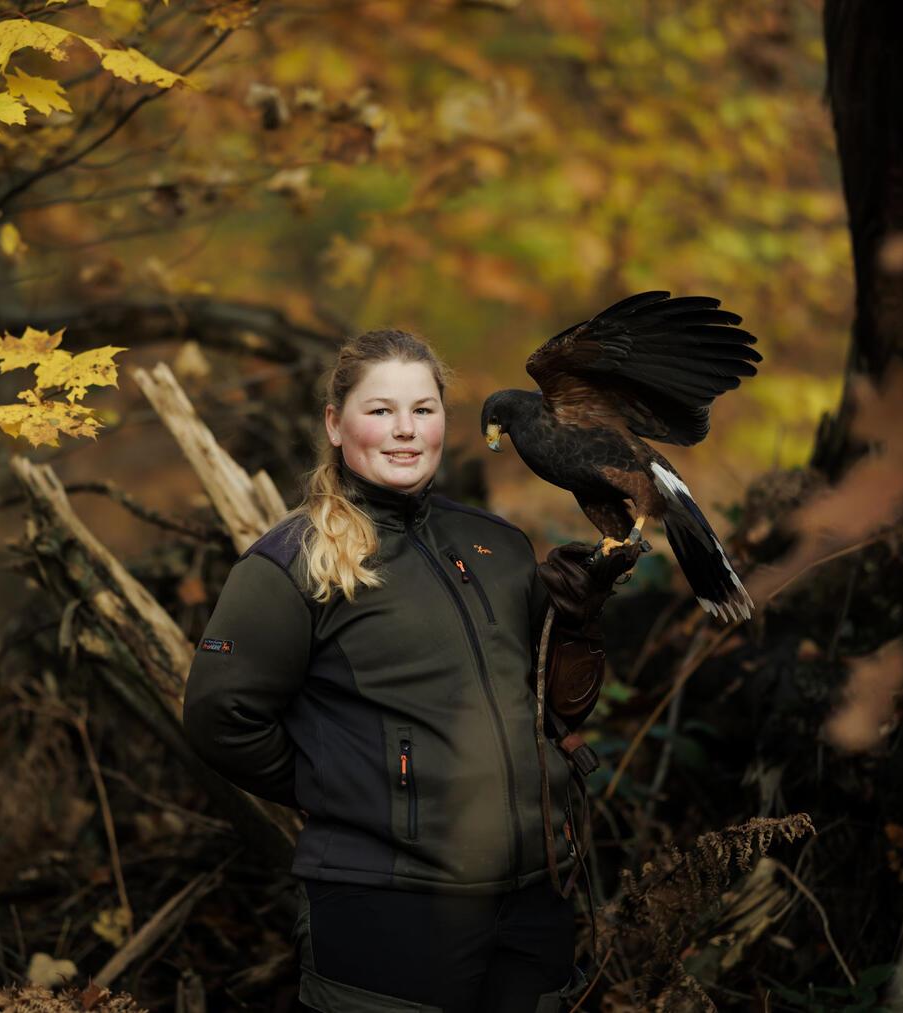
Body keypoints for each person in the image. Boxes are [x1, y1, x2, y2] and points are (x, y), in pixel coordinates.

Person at [182, 328, 638, 1013]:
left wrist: (573, 626)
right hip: (385, 903)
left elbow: (549, 706)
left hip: (534, 895)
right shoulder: (288, 563)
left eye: (423, 410)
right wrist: (347, 785)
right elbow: (220, 719)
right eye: (380, 410)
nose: (405, 431)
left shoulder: (498, 544)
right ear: (336, 424)